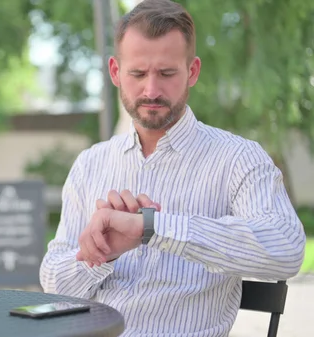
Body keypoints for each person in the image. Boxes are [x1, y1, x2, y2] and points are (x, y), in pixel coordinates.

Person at [39, 0, 307, 336]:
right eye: (137, 73)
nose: (151, 90)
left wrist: (153, 228)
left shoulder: (239, 159)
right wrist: (101, 255)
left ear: (192, 71)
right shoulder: (90, 164)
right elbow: (55, 285)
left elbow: (285, 250)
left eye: (166, 73)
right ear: (115, 72)